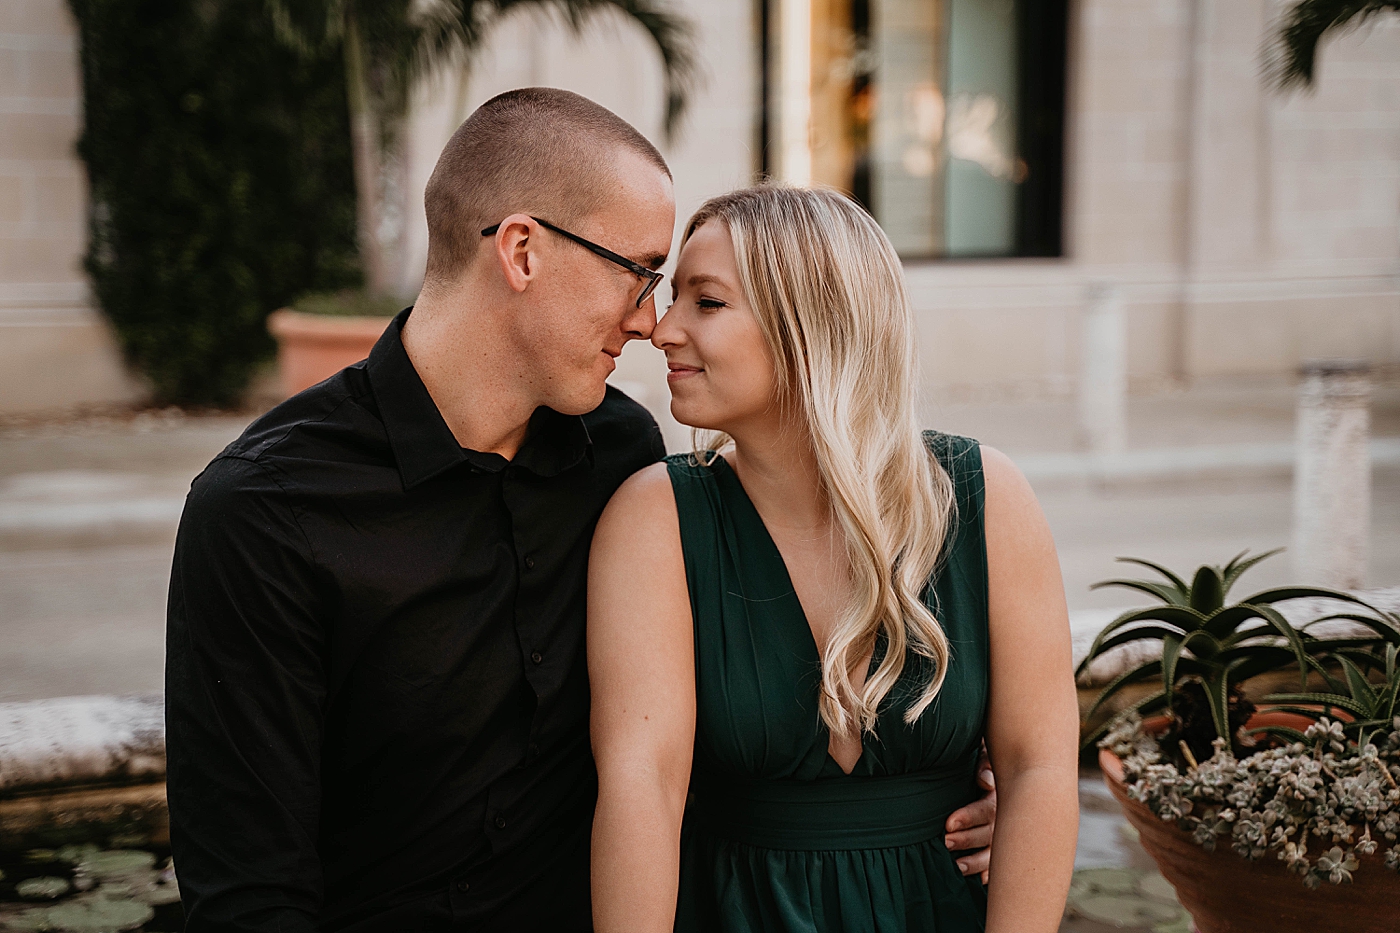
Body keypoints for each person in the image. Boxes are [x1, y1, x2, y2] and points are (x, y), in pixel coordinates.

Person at [165, 90, 998, 932]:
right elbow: (248, 892)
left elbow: (698, 724)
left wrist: (952, 788)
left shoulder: (622, 454)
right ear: (522, 250)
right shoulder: (263, 512)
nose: (649, 322)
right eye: (638, 273)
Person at [588, 185, 1079, 933]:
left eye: (706, 302)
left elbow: (1039, 769)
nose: (662, 330)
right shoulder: (655, 517)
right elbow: (641, 786)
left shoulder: (986, 499)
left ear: (809, 325)